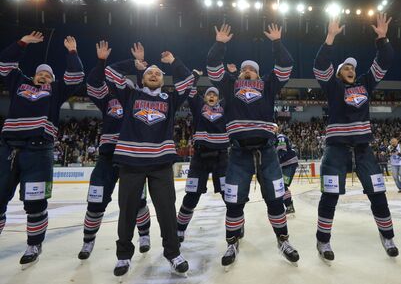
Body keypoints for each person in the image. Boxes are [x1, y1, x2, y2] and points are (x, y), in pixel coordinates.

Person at [206, 23, 299, 267]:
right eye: (244, 69)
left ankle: (283, 239)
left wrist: (277, 43)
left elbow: (287, 65)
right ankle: (232, 241)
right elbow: (212, 66)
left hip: (267, 152)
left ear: (258, 74)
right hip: (238, 153)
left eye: (252, 69)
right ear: (239, 74)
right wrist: (219, 44)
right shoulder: (230, 85)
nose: (247, 71)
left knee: (276, 199)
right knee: (234, 201)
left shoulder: (268, 85)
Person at [312, 14, 398, 262]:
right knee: (329, 196)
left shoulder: (365, 84)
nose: (350, 70)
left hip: (363, 150)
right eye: (345, 68)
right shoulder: (332, 86)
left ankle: (388, 235)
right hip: (336, 150)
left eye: (352, 67)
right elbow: (319, 65)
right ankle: (323, 240)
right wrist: (330, 38)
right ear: (339, 74)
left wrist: (382, 38)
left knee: (378, 193)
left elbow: (386, 60)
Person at [105, 43, 191, 276]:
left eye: (157, 73)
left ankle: (173, 253)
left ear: (163, 80)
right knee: (127, 212)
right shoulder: (130, 94)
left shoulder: (170, 99)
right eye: (149, 73)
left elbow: (188, 81)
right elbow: (110, 73)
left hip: (160, 164)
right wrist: (133, 63)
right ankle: (123, 256)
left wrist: (173, 62)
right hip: (131, 163)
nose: (153, 74)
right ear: (142, 79)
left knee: (166, 211)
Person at [0, 32, 84, 267]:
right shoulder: (19, 82)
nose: (43, 76)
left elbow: (76, 76)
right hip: (7, 149)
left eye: (47, 74)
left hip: (39, 151)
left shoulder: (56, 90)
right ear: (33, 75)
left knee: (35, 203)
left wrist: (72, 53)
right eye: (40, 73)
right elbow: (5, 62)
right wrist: (22, 43)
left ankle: (34, 243)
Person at [77, 41, 151, 260]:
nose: (122, 88)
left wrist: (141, 69)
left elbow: (146, 86)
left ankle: (144, 235)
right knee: (96, 200)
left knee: (138, 202)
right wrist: (101, 62)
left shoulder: (137, 99)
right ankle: (88, 241)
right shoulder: (106, 98)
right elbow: (93, 82)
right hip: (107, 157)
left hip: (131, 158)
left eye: (126, 86)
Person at [176, 82, 232, 242]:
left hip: (221, 157)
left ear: (218, 98)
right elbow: (189, 89)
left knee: (227, 195)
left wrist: (233, 76)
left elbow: (232, 92)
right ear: (204, 97)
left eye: (214, 94)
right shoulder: (199, 106)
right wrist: (193, 77)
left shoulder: (225, 108)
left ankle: (236, 226)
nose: (212, 96)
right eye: (209, 94)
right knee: (192, 196)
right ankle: (179, 229)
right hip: (200, 157)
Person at [276, 130, 299, 215]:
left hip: (289, 164)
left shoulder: (280, 137)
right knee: (282, 185)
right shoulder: (276, 138)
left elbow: (282, 152)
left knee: (283, 185)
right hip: (287, 164)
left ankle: (289, 206)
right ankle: (288, 205)